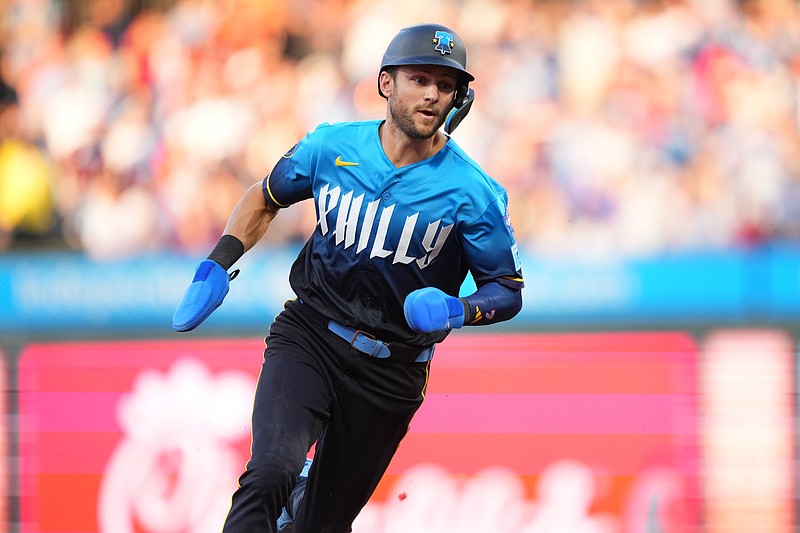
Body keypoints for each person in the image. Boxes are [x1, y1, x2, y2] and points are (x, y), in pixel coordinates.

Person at [173, 23, 524, 532]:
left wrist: (460, 309)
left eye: (445, 85)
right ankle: (291, 485)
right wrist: (218, 262)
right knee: (270, 471)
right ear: (387, 83)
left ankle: (306, 501)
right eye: (419, 78)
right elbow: (266, 195)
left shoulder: (474, 193)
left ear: (458, 98)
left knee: (319, 526)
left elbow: (507, 290)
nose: (431, 93)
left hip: (392, 371)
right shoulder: (331, 147)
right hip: (311, 334)